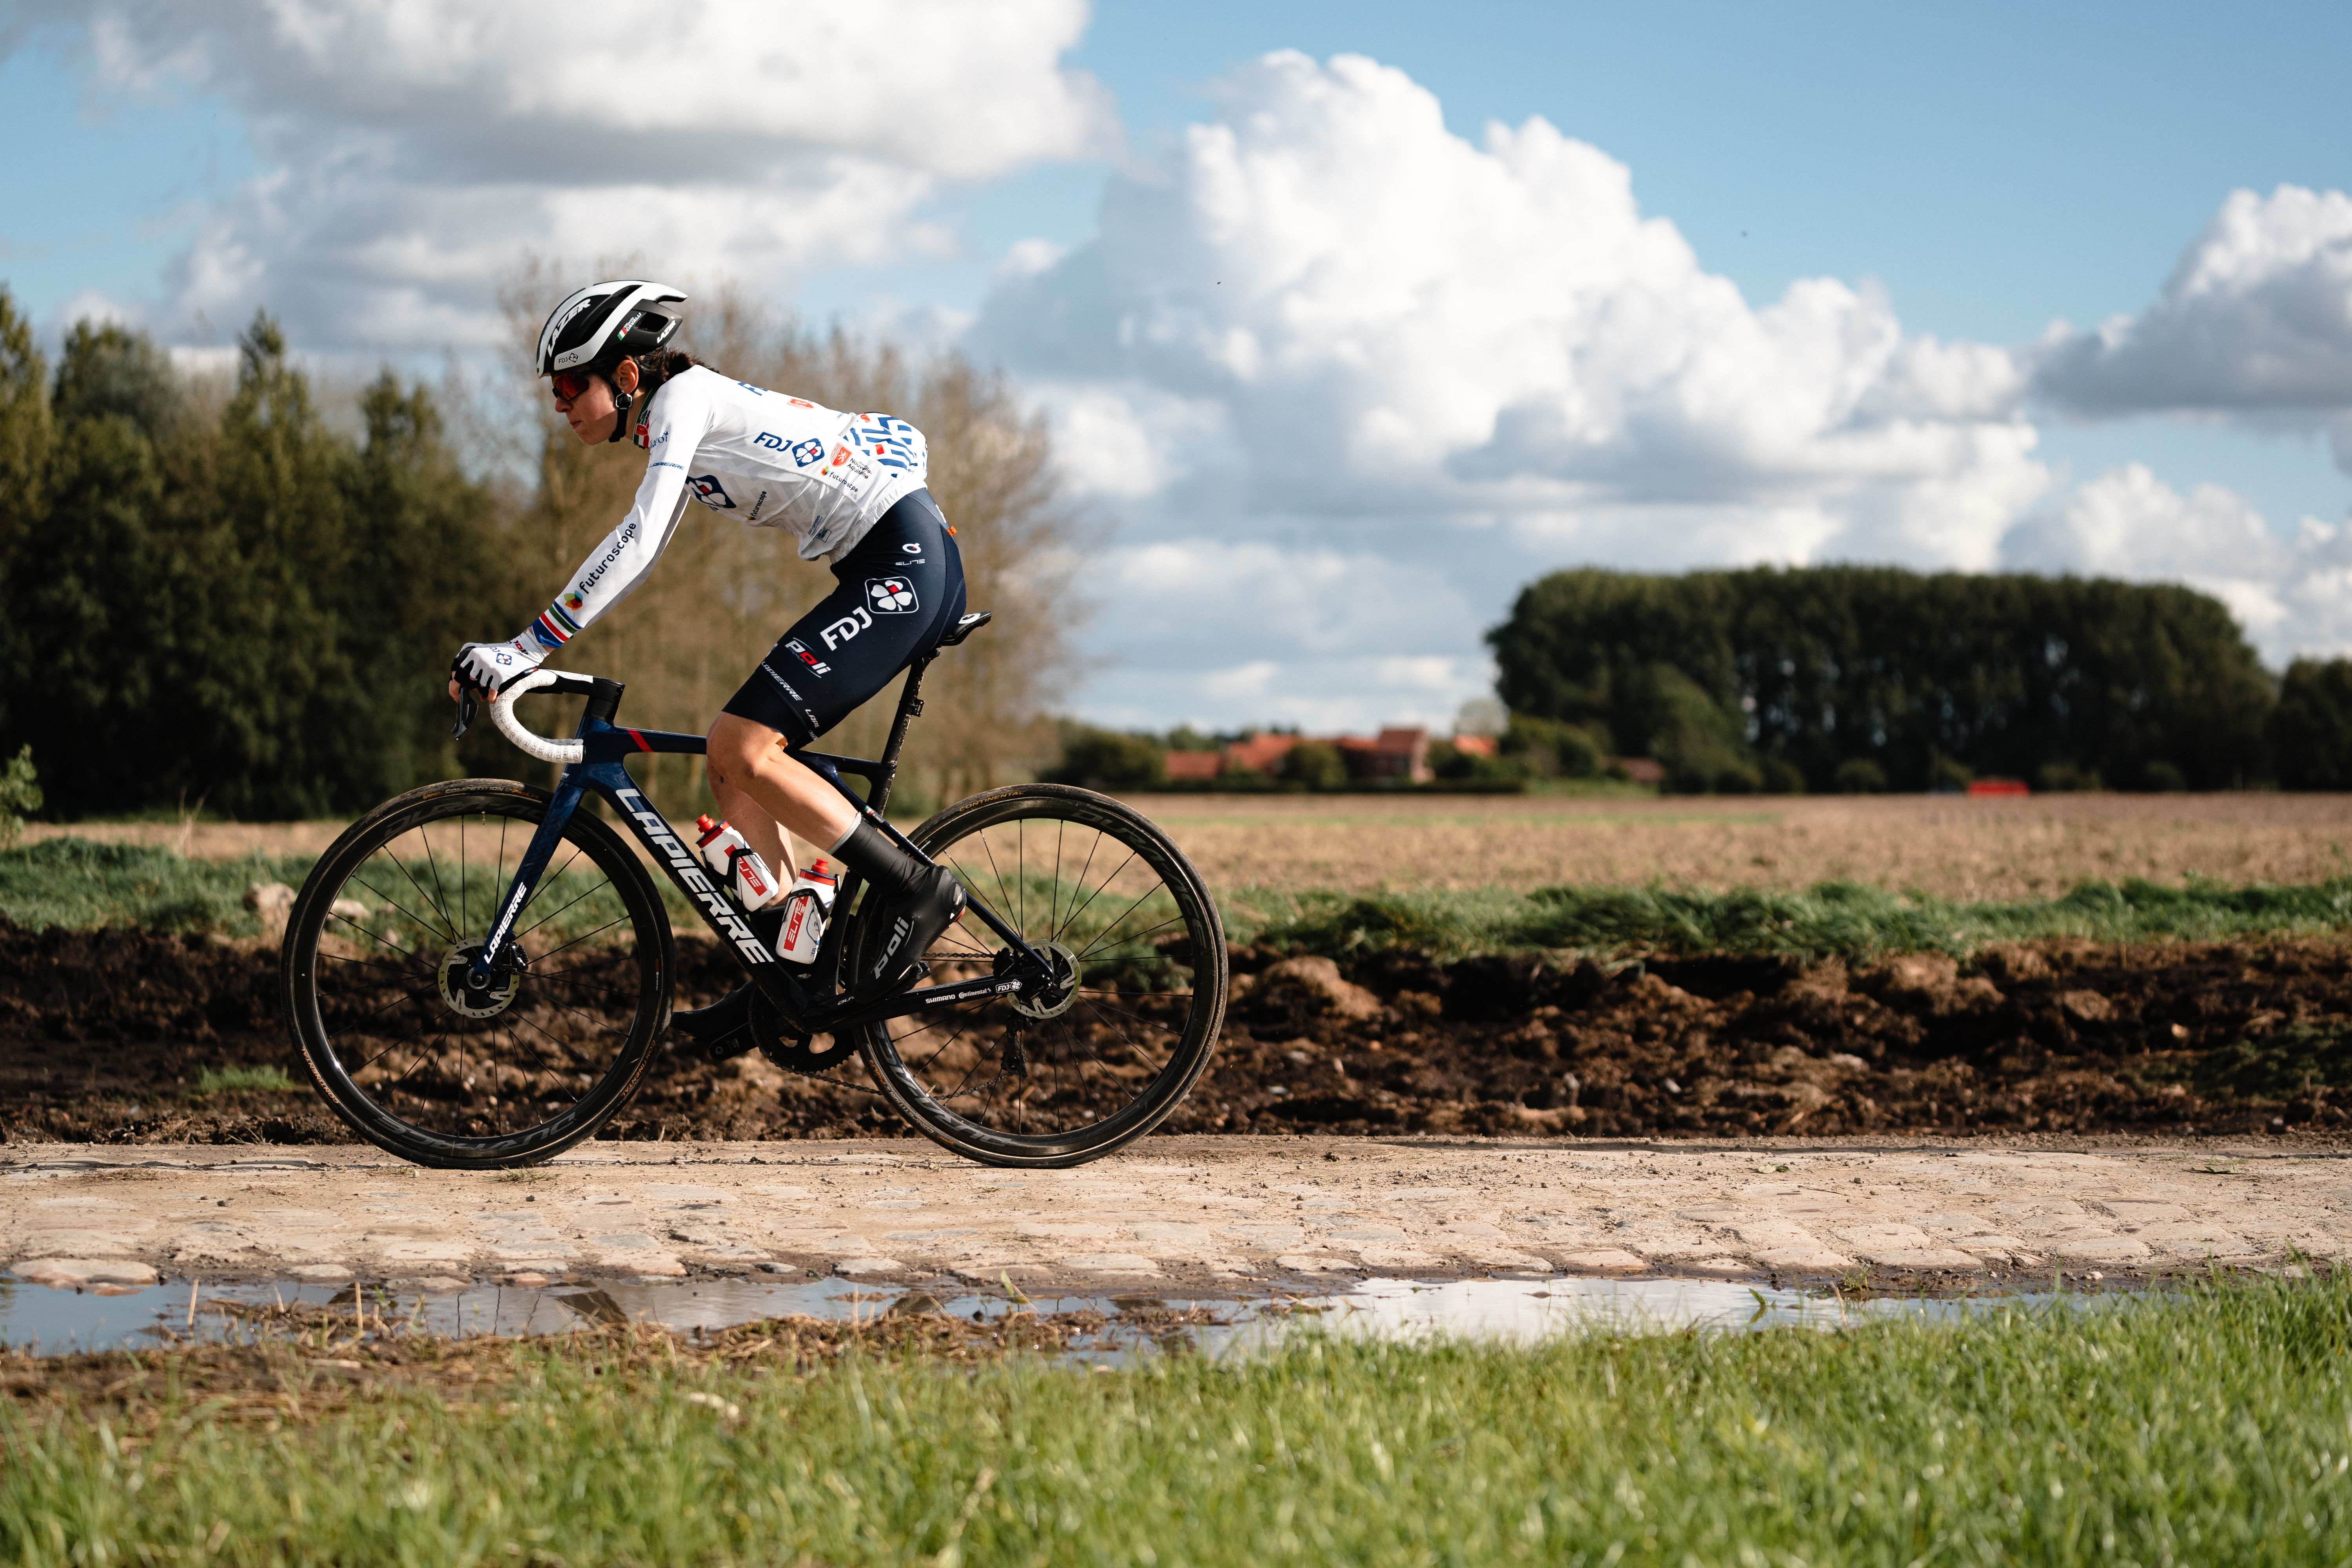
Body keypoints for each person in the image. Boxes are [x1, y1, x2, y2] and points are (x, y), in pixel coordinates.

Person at [449, 279, 966, 1052]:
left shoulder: (682, 402)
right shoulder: (687, 417)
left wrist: (525, 647)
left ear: (627, 376)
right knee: (730, 761)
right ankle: (787, 974)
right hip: (897, 560)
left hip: (902, 566)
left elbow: (642, 537)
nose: (558, 404)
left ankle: (919, 886)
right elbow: (893, 435)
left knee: (749, 746)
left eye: (569, 385)